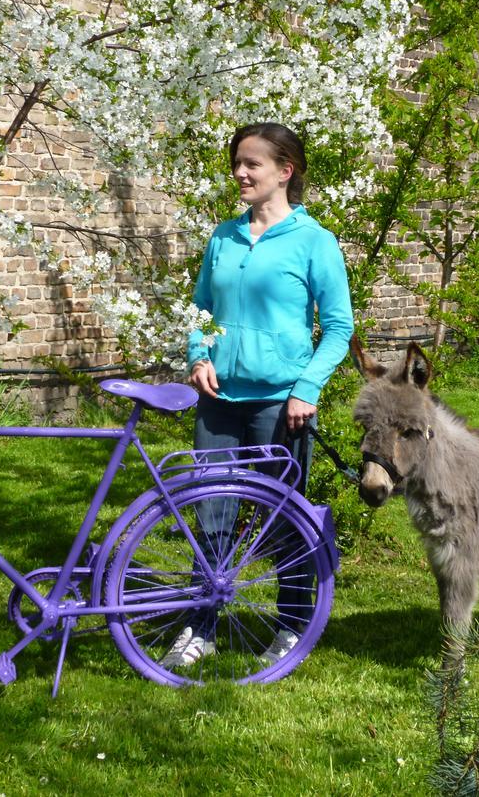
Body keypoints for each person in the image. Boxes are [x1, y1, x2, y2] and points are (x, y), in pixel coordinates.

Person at [161, 122, 355, 669]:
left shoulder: (315, 242)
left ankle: (291, 624)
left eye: (252, 165)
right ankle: (201, 627)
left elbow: (338, 327)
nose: (240, 174)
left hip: (280, 404)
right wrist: (198, 355)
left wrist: (307, 388)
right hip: (219, 401)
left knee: (282, 519)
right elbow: (202, 310)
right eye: (237, 164)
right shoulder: (223, 236)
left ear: (285, 172)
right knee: (211, 515)